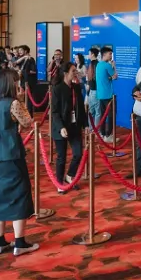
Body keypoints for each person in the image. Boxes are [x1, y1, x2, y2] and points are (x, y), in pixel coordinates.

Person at [0, 68, 40, 257]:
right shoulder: (13, 103)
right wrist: (22, 100)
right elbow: (27, 122)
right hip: (11, 156)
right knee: (19, 196)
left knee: (0, 197)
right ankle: (19, 242)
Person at [50, 62, 86, 194]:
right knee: (62, 157)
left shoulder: (76, 88)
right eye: (73, 71)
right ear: (66, 73)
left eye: (76, 70)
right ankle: (59, 182)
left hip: (74, 125)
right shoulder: (57, 89)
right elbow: (54, 112)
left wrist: (86, 125)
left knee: (78, 153)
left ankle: (70, 175)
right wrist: (61, 127)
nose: (76, 73)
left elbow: (81, 108)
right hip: (61, 127)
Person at [95, 46, 118, 141]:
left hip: (100, 94)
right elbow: (115, 76)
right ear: (104, 54)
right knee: (111, 116)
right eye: (110, 54)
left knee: (103, 115)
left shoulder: (98, 65)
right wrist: (114, 66)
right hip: (108, 95)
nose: (111, 56)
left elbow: (106, 77)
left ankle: (103, 134)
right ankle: (108, 135)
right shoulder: (107, 65)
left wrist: (110, 77)